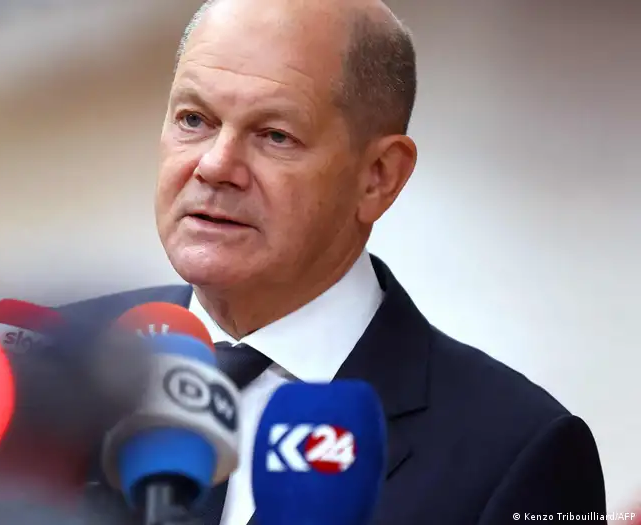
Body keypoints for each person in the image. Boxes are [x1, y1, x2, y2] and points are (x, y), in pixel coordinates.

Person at [61, 0, 607, 524]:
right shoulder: (52, 362)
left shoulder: (519, 451)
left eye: (275, 135)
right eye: (194, 119)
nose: (215, 165)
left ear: (379, 177)